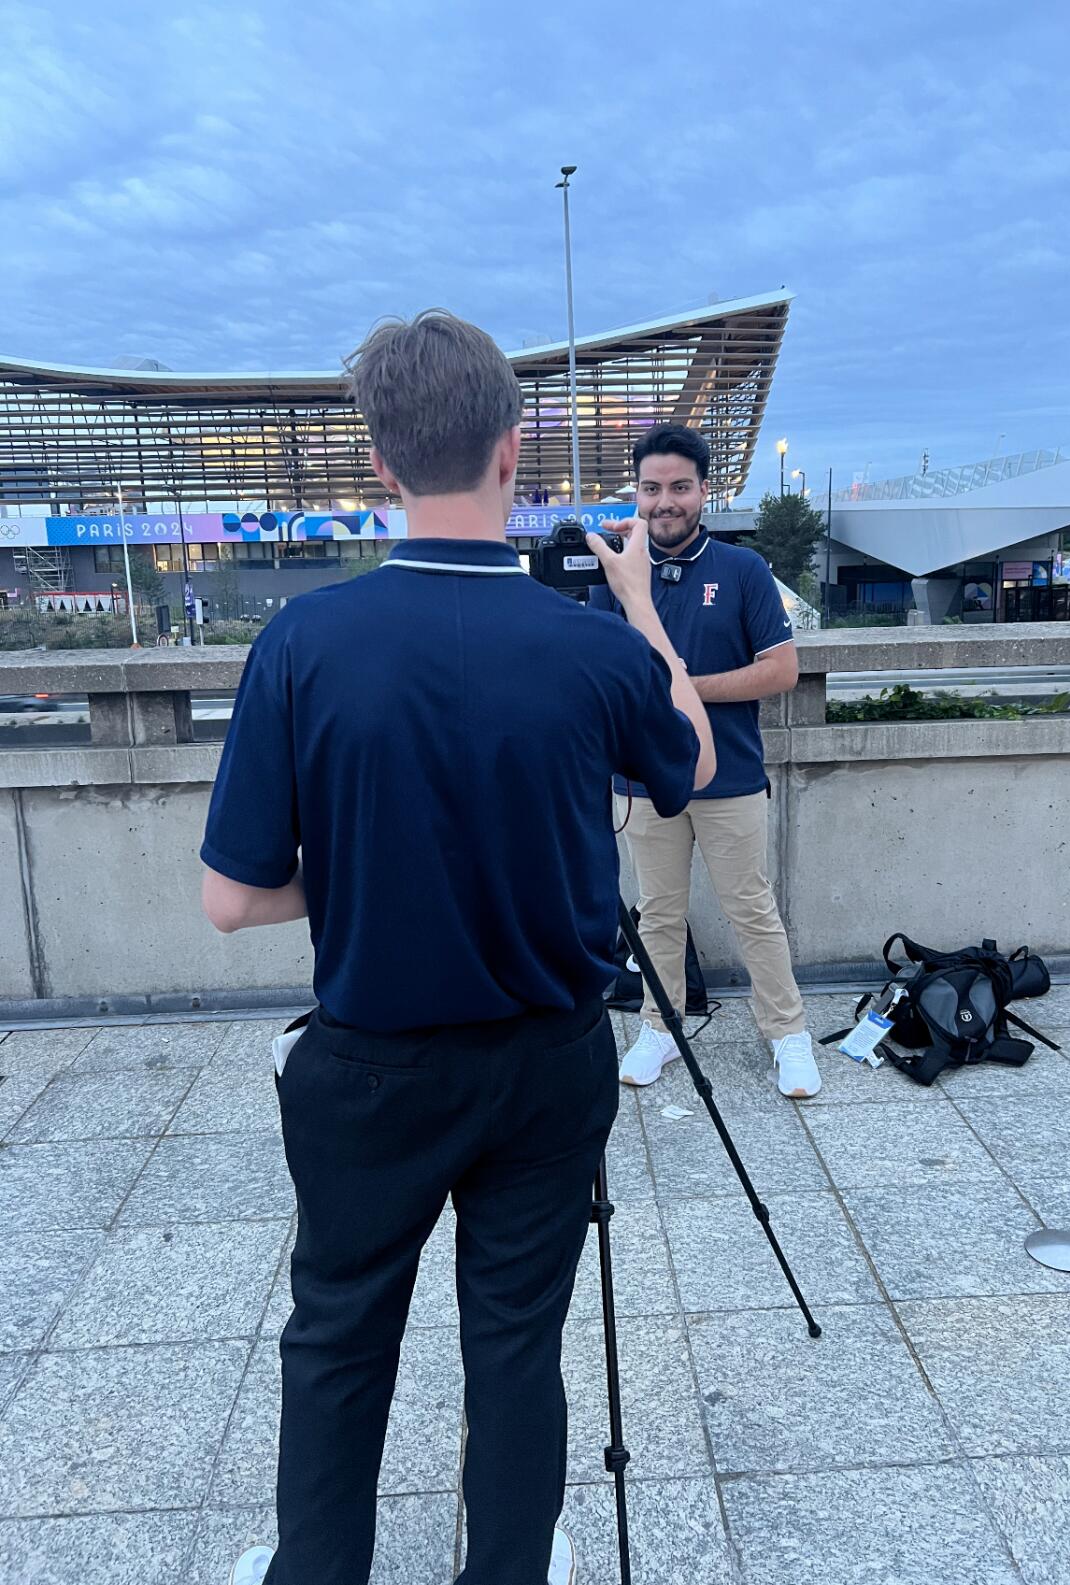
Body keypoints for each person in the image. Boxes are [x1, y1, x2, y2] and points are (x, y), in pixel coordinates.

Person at [200, 312, 714, 1585]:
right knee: (515, 1346)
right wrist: (643, 610)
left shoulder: (303, 644)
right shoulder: (588, 646)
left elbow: (231, 898)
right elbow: (690, 762)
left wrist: (373, 878)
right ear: (514, 443)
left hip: (368, 1067)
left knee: (337, 1339)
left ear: (379, 463)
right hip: (546, 1062)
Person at [590, 422, 822, 1099]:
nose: (665, 501)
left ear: (704, 491)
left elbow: (781, 670)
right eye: (652, 487)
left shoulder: (743, 570)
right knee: (657, 912)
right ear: (637, 493)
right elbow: (606, 671)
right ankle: (660, 1026)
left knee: (752, 907)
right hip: (642, 779)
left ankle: (787, 1033)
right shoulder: (615, 573)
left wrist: (686, 686)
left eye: (679, 487)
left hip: (731, 777)